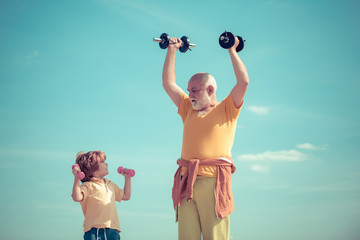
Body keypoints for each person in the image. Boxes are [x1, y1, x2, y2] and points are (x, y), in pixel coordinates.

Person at [162, 36, 249, 240]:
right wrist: (172, 50)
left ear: (210, 90)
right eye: (189, 89)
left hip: (213, 182)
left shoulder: (227, 109)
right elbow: (168, 83)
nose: (189, 93)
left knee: (215, 237)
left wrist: (232, 50)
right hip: (186, 182)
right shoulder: (187, 109)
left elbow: (243, 82)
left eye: (195, 90)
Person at [71, 151, 132, 240]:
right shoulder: (88, 185)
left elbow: (126, 196)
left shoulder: (110, 184)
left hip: (113, 229)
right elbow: (77, 197)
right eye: (102, 162)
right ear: (93, 167)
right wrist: (76, 178)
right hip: (95, 231)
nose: (106, 163)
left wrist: (127, 178)